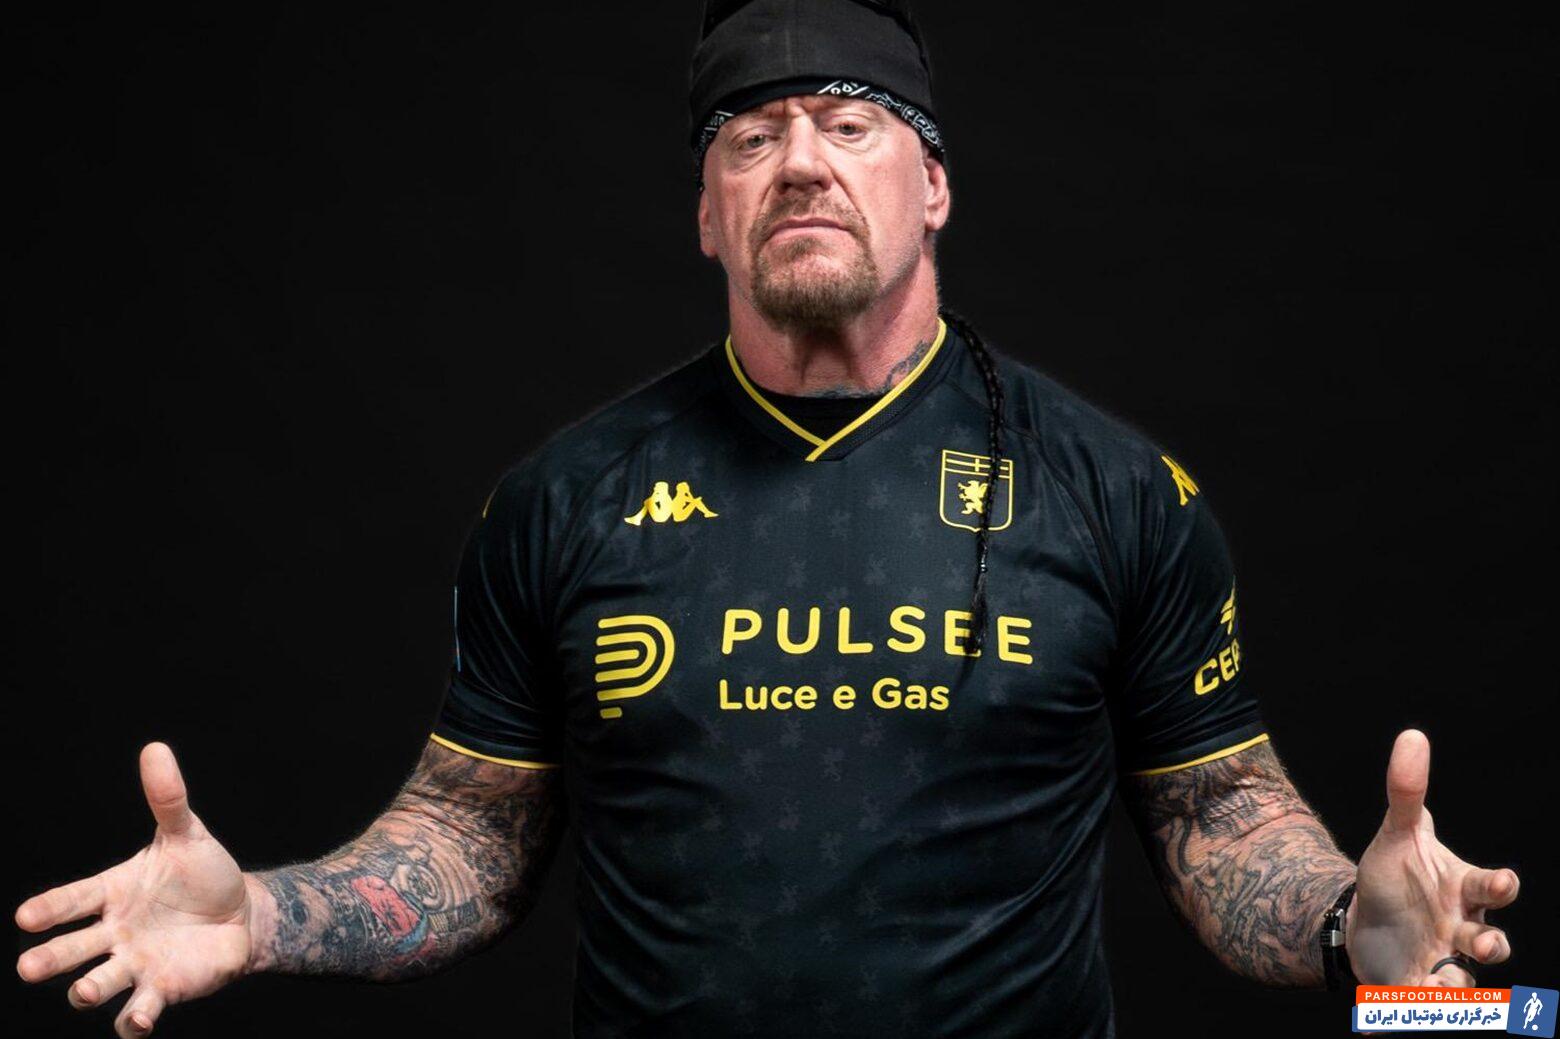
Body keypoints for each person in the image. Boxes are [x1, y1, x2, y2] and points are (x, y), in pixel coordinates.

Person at [15, 2, 1524, 1037]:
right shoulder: (565, 498)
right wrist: (262, 917)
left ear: (934, 185)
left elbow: (1216, 818)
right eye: (749, 135)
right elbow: (469, 837)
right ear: (706, 213)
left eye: (850, 123)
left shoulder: (1119, 489)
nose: (799, 158)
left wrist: (1359, 941)